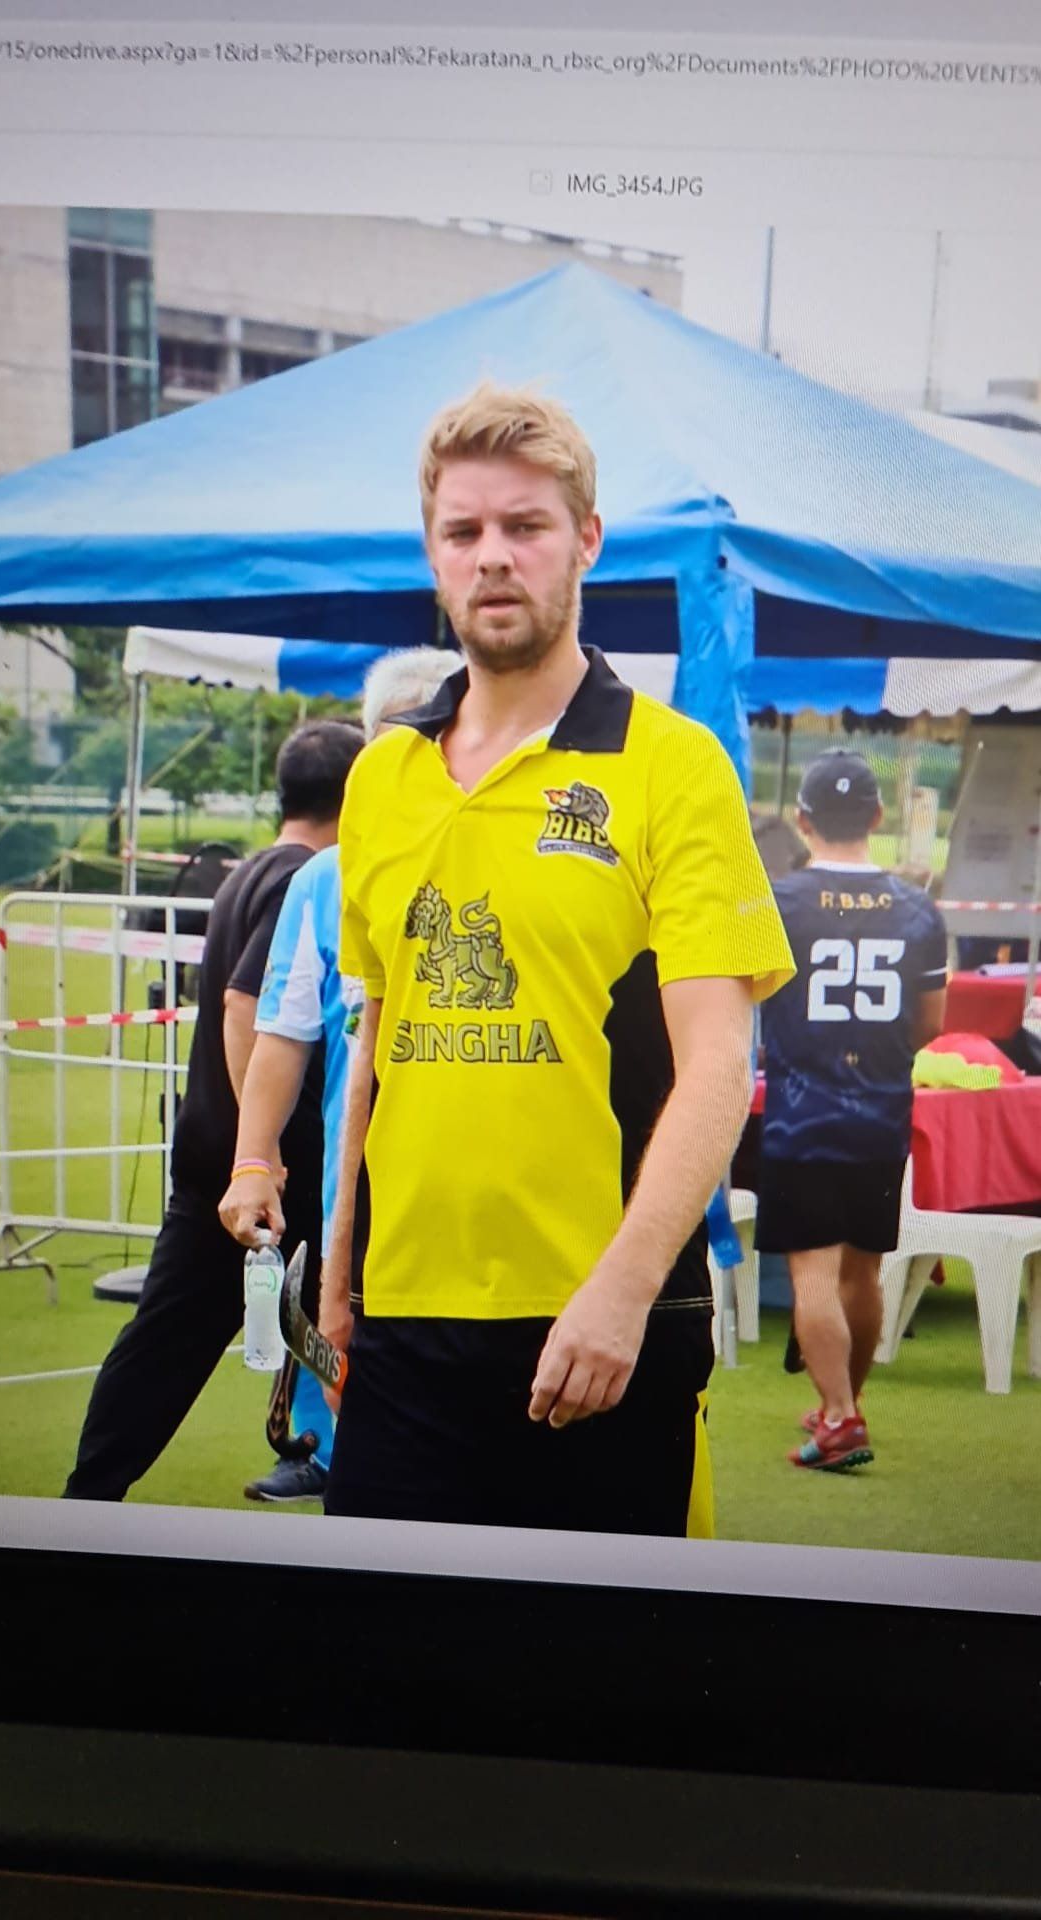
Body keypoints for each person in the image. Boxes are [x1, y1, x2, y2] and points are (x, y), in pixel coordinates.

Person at [299, 382, 794, 1536]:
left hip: (598, 1325)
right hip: (402, 1321)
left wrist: (621, 1295)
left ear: (587, 541)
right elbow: (375, 1042)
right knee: (384, 1691)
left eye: (525, 527)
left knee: (601, 1701)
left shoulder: (672, 768)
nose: (493, 558)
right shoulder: (382, 778)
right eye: (464, 532)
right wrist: (336, 1290)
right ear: (432, 552)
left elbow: (718, 1069)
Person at [63, 721, 363, 1502]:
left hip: (213, 1153)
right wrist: (257, 1150)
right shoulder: (307, 876)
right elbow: (243, 1005)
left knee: (165, 1341)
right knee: (341, 1332)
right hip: (264, 1171)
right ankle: (338, 1471)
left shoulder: (245, 870)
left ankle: (92, 1488)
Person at [228, 647, 465, 1502]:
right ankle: (335, 1465)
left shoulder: (498, 862)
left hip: (481, 1199)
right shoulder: (323, 880)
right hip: (357, 1202)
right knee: (364, 1430)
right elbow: (281, 1035)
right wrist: (253, 1158)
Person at [755, 749, 948, 1472]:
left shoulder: (778, 901)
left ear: (802, 819)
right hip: (880, 1114)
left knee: (813, 1272)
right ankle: (847, 1405)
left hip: (801, 1115)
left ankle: (838, 1416)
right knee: (862, 1274)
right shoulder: (917, 907)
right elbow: (930, 1024)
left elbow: (751, 998)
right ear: (876, 816)